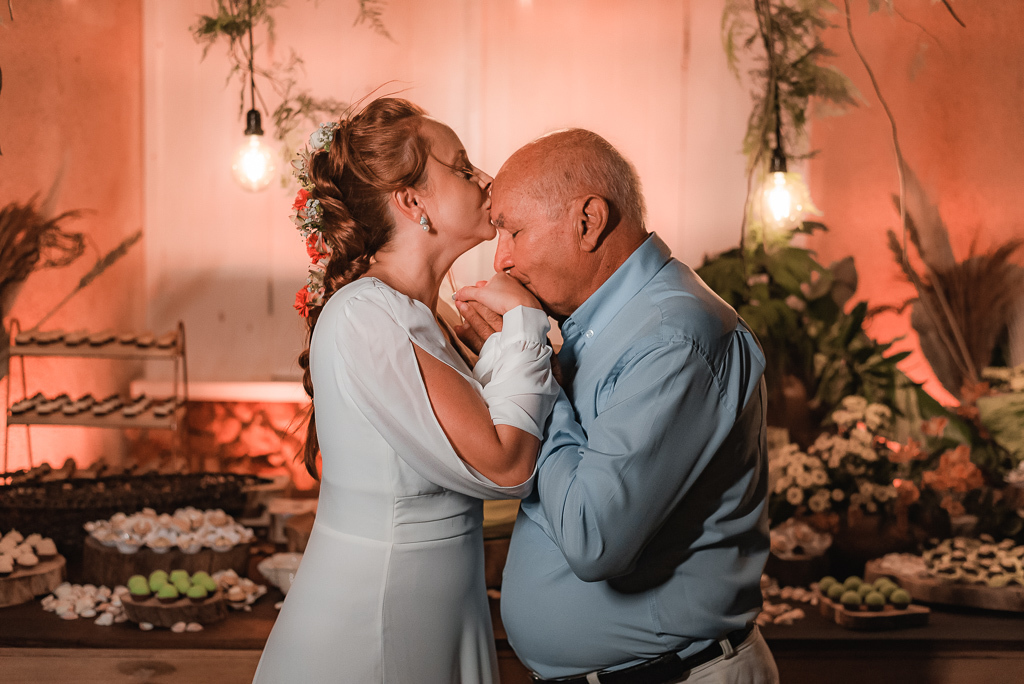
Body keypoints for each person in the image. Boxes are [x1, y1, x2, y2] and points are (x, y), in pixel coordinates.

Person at [253, 98, 560, 684]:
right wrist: (523, 325)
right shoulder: (367, 314)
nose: (488, 179)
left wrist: (502, 347)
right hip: (377, 618)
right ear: (412, 201)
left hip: (437, 603)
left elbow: (477, 434)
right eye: (463, 167)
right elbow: (506, 466)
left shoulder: (425, 313)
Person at [455, 129, 779, 683]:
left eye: (512, 231)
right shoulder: (597, 323)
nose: (501, 259)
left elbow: (594, 539)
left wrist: (536, 375)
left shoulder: (673, 336)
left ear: (588, 221)